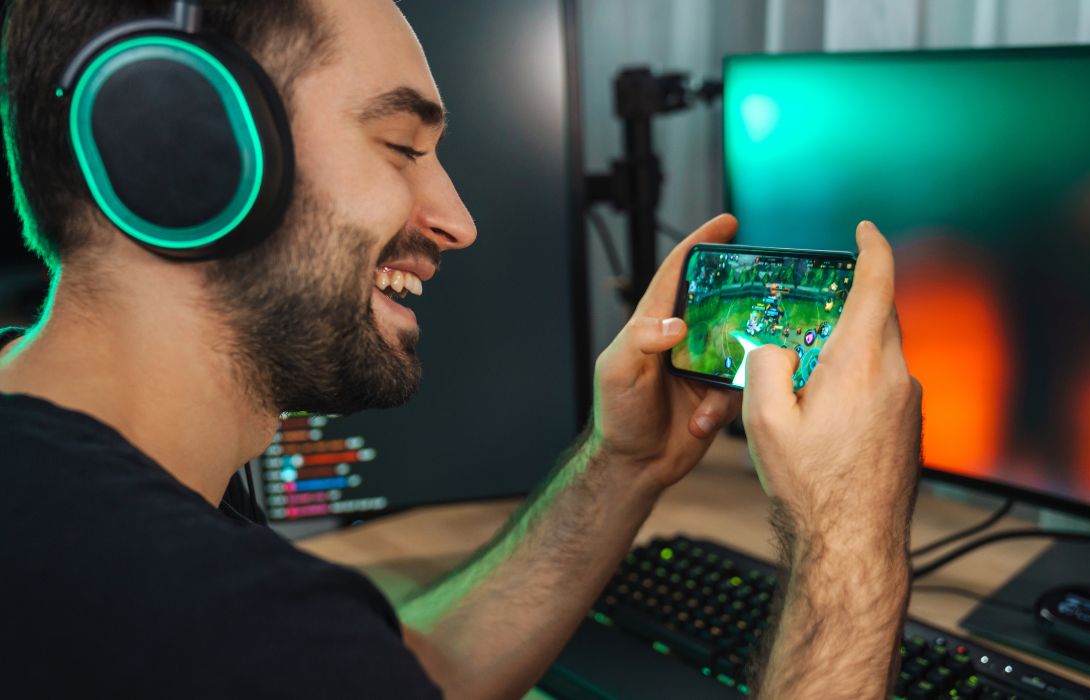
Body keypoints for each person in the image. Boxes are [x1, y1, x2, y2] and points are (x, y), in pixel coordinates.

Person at [0, 0, 922, 697]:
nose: (459, 222)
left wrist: (622, 464)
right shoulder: (192, 622)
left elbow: (404, 675)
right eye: (402, 145)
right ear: (173, 151)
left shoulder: (68, 465)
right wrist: (849, 533)